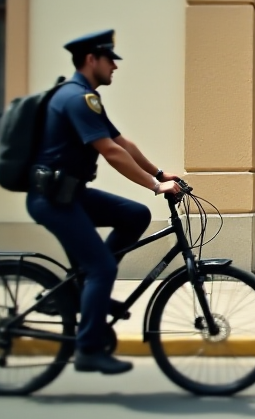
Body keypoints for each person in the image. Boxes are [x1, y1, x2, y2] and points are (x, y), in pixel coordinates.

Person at [26, 29, 182, 375]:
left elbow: (120, 141)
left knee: (135, 215)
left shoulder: (86, 97)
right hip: (53, 199)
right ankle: (88, 349)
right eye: (109, 58)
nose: (115, 65)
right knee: (102, 268)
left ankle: (84, 293)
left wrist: (160, 172)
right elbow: (110, 153)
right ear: (90, 60)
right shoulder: (76, 98)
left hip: (70, 194)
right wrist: (155, 186)